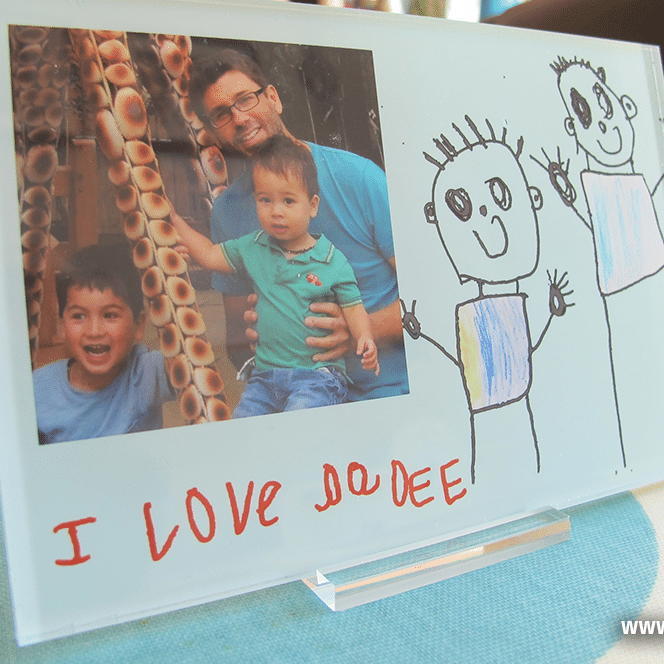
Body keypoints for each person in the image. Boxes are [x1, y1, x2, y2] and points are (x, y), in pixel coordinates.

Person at [187, 47, 407, 401]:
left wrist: (359, 330)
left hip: (387, 395)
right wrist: (255, 340)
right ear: (214, 134)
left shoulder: (359, 178)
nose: (239, 118)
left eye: (245, 99)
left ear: (273, 98)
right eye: (222, 115)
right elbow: (236, 341)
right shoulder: (227, 213)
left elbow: (435, 296)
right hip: (295, 403)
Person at [172, 136, 379, 417]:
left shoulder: (331, 260)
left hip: (316, 377)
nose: (276, 211)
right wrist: (174, 221)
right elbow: (209, 254)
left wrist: (365, 337)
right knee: (243, 425)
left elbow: (353, 307)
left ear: (312, 205)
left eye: (288, 200)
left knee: (298, 423)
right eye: (265, 200)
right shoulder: (253, 247)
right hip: (265, 378)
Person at [32, 243, 174, 444]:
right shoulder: (38, 389)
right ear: (62, 327)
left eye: (110, 315)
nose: (94, 331)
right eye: (78, 316)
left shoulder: (146, 373)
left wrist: (172, 272)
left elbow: (192, 359)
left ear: (139, 325)